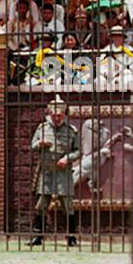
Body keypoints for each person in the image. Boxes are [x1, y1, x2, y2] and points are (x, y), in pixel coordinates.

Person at [29, 95, 82, 247]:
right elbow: (32, 146)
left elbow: (78, 151)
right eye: (54, 115)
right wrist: (40, 143)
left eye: (59, 115)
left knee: (68, 205)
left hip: (63, 172)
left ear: (64, 115)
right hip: (46, 172)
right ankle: (38, 236)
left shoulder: (72, 131)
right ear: (50, 114)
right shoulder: (42, 128)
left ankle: (71, 237)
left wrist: (67, 158)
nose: (57, 118)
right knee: (41, 204)